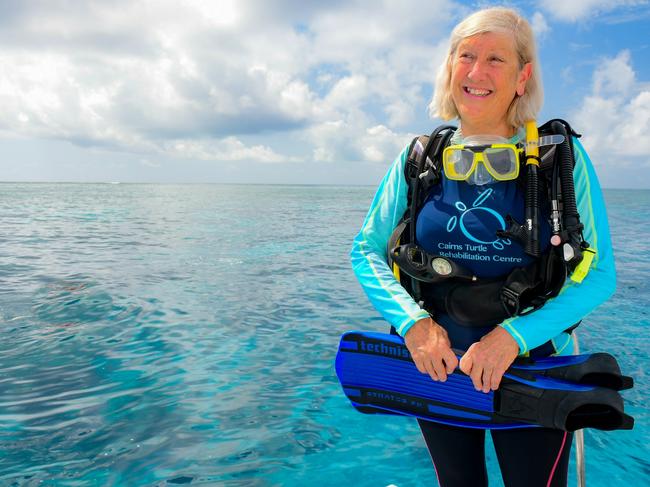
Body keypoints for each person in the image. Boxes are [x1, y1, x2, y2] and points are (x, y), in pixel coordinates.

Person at [350, 7, 615, 487]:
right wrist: (414, 325)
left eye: (496, 58)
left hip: (533, 368)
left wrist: (512, 337)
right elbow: (366, 251)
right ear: (449, 66)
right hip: (438, 363)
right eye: (466, 55)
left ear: (522, 76)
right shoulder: (418, 158)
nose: (476, 72)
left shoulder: (560, 160)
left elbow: (598, 275)